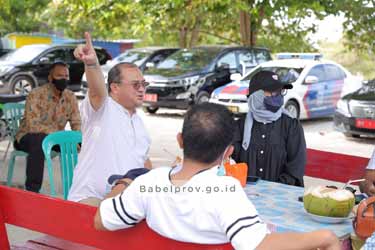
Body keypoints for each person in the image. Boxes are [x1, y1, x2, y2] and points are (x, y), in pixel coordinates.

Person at [94, 103, 340, 250]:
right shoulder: (226, 192)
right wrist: (324, 237)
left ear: (180, 141)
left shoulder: (150, 182)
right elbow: (257, 244)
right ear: (228, 152)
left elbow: (101, 221)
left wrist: (123, 184)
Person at [67, 32, 151, 205]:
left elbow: (144, 162)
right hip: (92, 199)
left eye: (144, 84)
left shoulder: (138, 121)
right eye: (136, 85)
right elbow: (97, 91)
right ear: (115, 87)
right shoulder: (104, 108)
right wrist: (91, 64)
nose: (142, 89)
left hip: (126, 199)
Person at [14, 61, 81, 193]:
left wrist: (78, 138)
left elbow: (76, 122)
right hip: (28, 137)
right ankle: (32, 191)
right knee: (39, 140)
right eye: (60, 76)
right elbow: (33, 126)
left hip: (56, 139)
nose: (64, 79)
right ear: (50, 78)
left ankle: (78, 188)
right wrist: (59, 135)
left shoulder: (70, 96)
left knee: (85, 143)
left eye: (66, 76)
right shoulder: (36, 94)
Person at [232, 70, 306, 186]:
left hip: (281, 195)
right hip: (246, 194)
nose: (278, 96)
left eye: (279, 91)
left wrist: (272, 189)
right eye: (271, 92)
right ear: (256, 95)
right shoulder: (240, 126)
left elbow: (295, 168)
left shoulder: (291, 125)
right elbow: (231, 162)